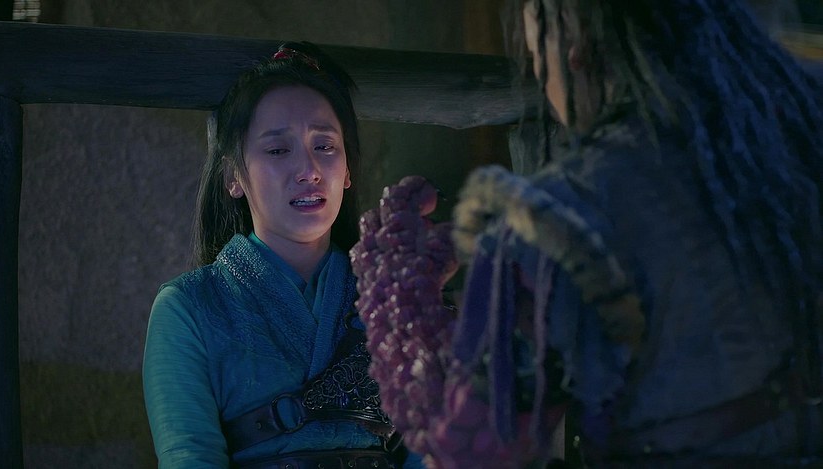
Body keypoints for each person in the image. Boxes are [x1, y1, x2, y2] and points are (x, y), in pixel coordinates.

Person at [350, 0, 823, 467]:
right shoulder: (797, 136)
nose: (543, 79)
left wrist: (399, 301)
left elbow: (472, 450)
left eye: (536, 55)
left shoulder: (561, 216)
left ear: (571, 42)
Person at [143, 42, 421, 469]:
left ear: (347, 170)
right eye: (277, 150)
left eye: (325, 146)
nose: (309, 171)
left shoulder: (393, 299)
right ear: (234, 176)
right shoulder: (187, 309)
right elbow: (191, 458)